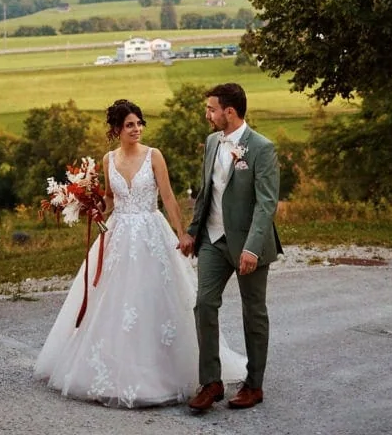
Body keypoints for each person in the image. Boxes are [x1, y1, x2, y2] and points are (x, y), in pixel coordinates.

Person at [35, 98, 246, 408]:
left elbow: (170, 198)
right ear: (117, 129)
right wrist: (91, 208)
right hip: (118, 234)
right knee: (114, 303)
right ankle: (116, 371)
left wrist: (182, 233)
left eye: (139, 123)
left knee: (154, 299)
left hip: (151, 232)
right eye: (129, 125)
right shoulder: (108, 159)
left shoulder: (154, 156)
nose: (136, 129)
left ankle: (172, 372)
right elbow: (109, 199)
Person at [178, 82, 282, 412]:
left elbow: (266, 203)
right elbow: (205, 192)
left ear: (230, 112)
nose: (207, 115)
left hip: (248, 244)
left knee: (254, 313)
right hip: (212, 240)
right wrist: (194, 232)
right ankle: (211, 382)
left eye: (211, 109)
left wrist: (251, 248)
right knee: (204, 305)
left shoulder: (262, 148)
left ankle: (254, 385)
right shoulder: (212, 142)